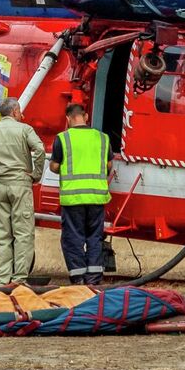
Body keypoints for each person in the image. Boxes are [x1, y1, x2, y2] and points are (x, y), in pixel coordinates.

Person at [0, 97, 45, 287]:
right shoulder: (24, 130)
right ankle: (19, 279)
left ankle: (2, 280)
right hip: (20, 184)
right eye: (19, 112)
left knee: (2, 234)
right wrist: (35, 174)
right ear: (14, 112)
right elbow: (40, 150)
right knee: (23, 233)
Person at [47, 102, 109, 285]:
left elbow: (55, 166)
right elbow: (109, 165)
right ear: (86, 116)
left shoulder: (63, 139)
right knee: (95, 237)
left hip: (73, 198)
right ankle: (94, 278)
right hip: (97, 197)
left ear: (68, 119)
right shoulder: (102, 138)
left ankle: (78, 277)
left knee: (73, 238)